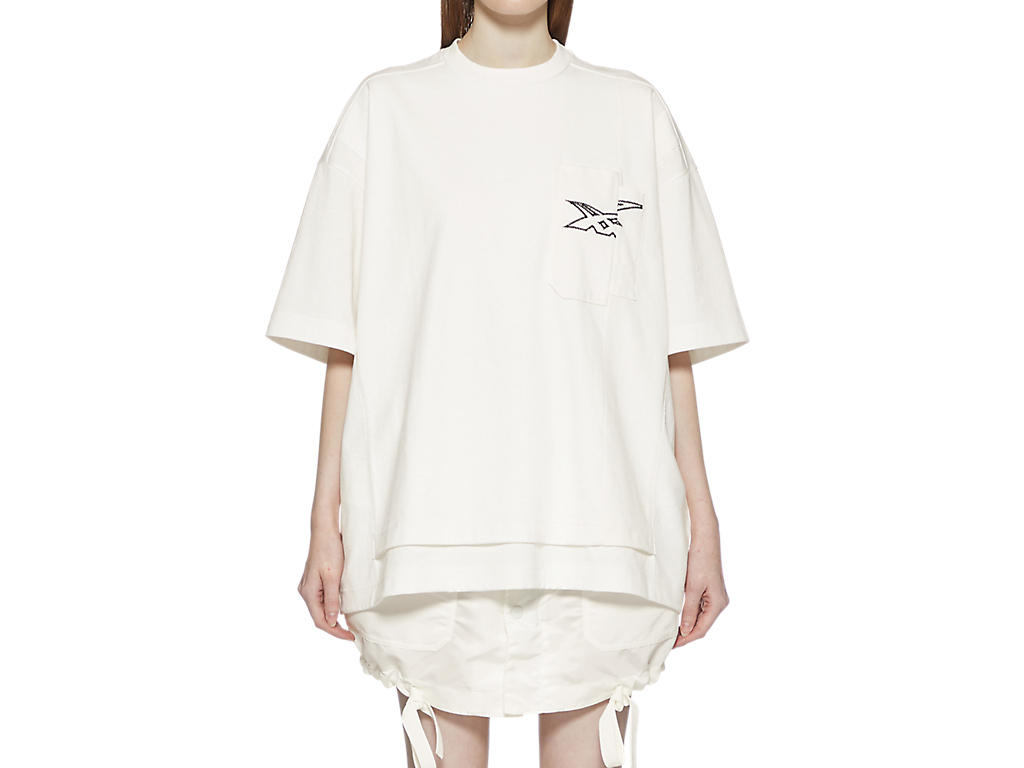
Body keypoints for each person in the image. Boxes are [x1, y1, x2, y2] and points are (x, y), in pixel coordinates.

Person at [265, 2, 748, 766]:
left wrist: (704, 523)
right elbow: (345, 338)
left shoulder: (632, 112)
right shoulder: (385, 110)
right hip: (426, 531)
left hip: (603, 530)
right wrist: (325, 517)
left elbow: (669, 344)